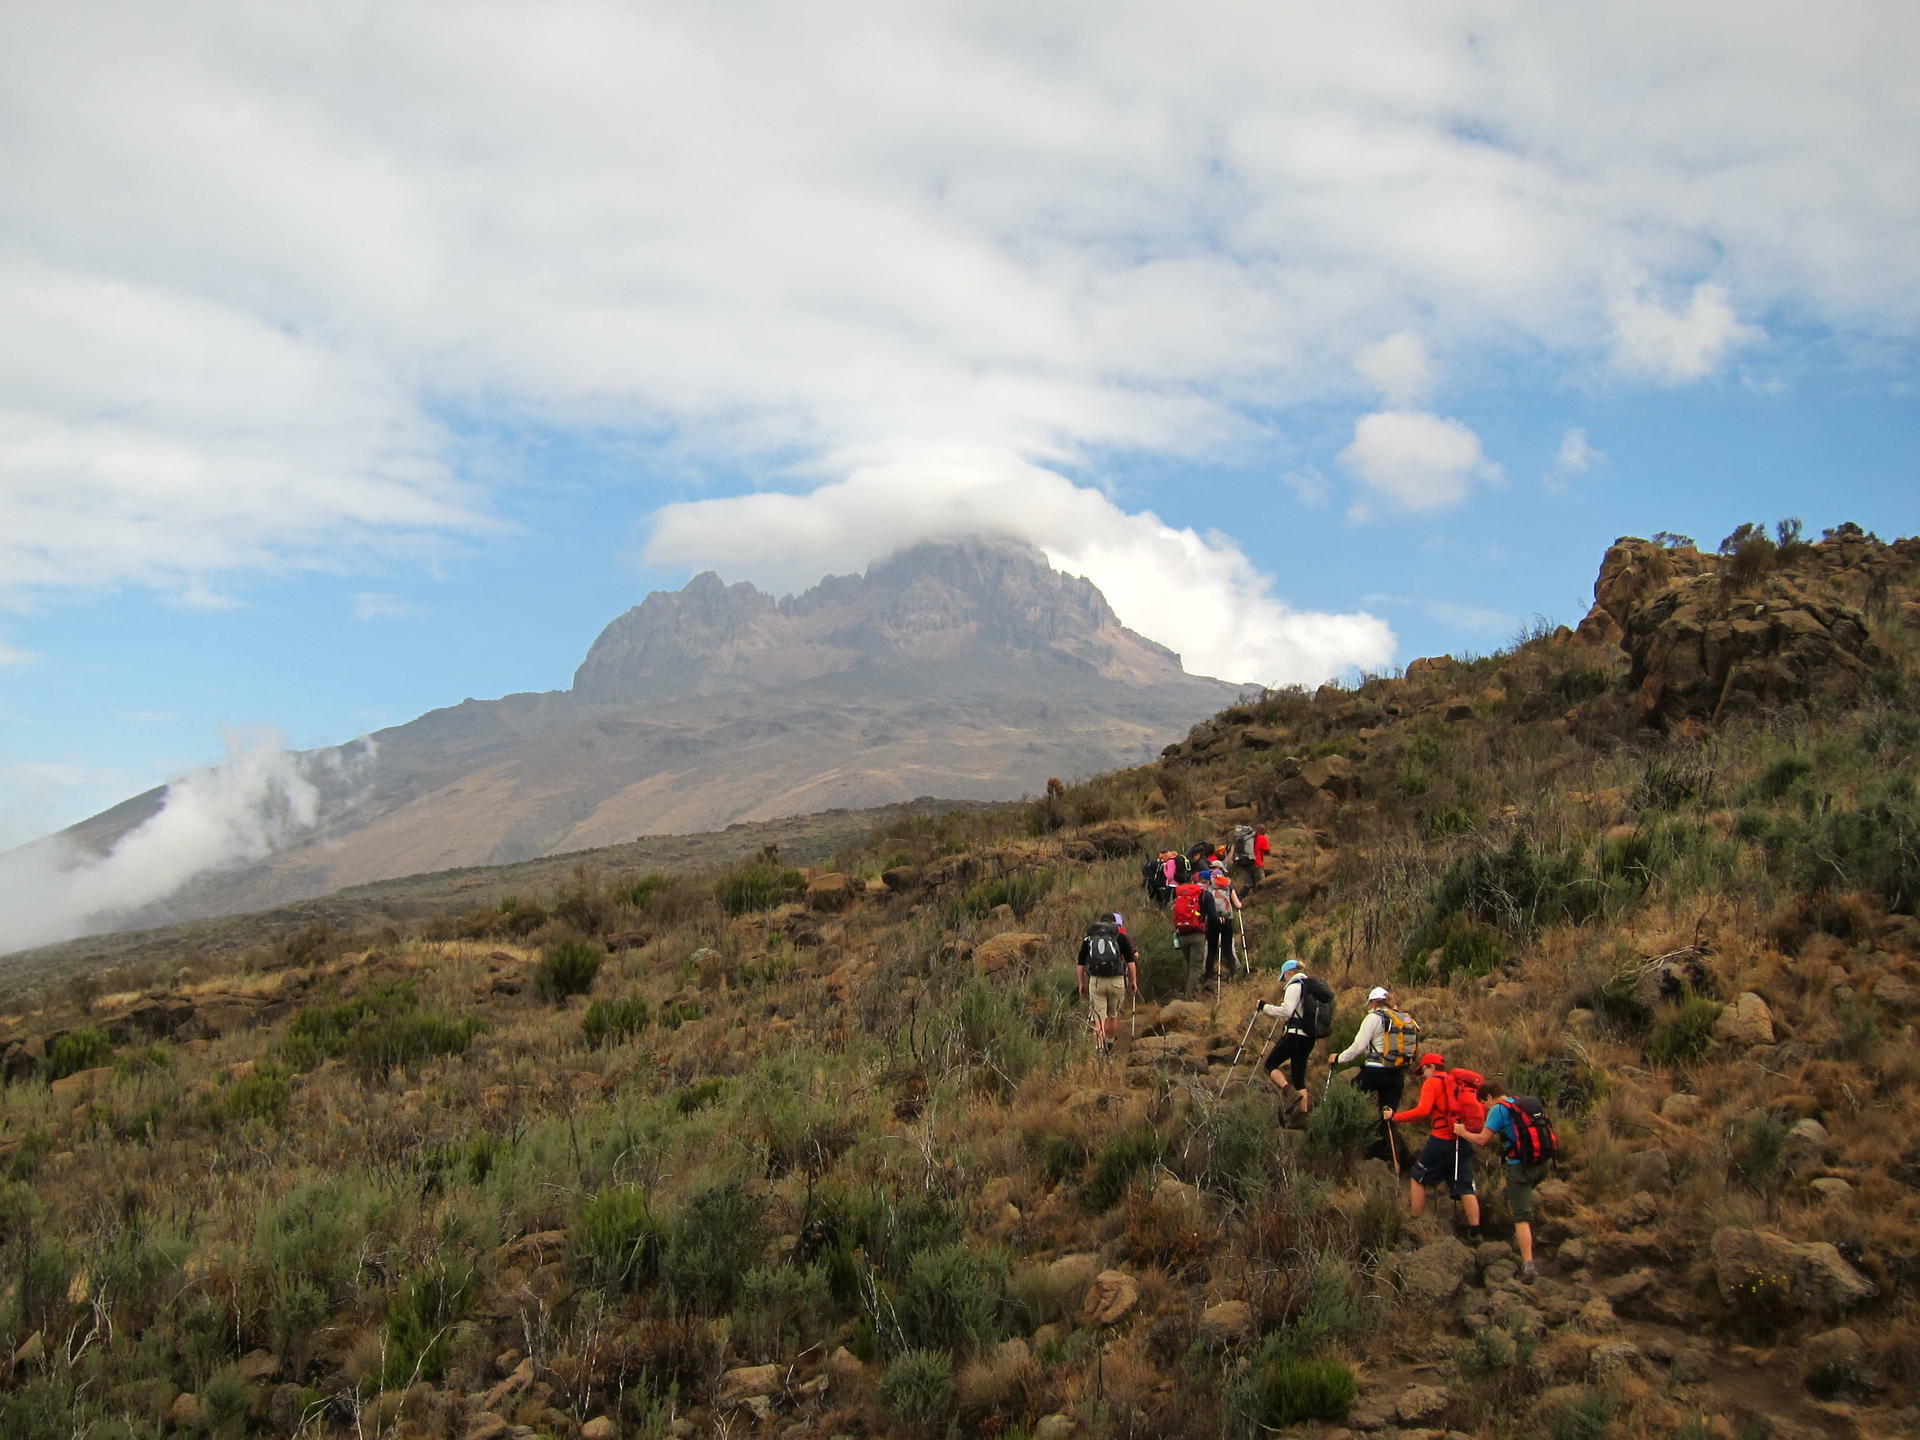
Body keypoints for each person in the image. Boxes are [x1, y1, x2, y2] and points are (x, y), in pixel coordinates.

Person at [1455, 1080, 1552, 1283]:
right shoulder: (1520, 1103)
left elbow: (1482, 1139)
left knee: (1521, 1217)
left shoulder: (1498, 1110)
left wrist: (1462, 1132)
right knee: (1511, 1196)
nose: (1484, 1107)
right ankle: (1522, 1231)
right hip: (1544, 1162)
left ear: (1489, 1097)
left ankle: (1528, 1266)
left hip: (1521, 1167)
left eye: (1483, 1103)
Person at [1386, 1054, 1486, 1239]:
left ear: (1431, 1067)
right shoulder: (1458, 1083)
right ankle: (1476, 1232)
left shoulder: (1432, 1083)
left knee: (1418, 1176)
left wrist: (1396, 1117)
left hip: (1441, 1141)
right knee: (1465, 1187)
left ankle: (1414, 1222)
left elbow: (1423, 1110)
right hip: (1463, 1139)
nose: (1423, 1075)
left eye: (1423, 1070)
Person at [1328, 985, 1418, 1162]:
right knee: (1388, 1117)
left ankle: (1340, 1144)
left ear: (1374, 1002)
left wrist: (1338, 1058)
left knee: (1347, 1099)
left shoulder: (1373, 1018)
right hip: (1397, 1074)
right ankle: (1402, 1161)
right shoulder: (1402, 1018)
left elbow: (1358, 1047)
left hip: (1375, 1071)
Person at [1257, 958, 1325, 1118]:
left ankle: (1289, 1092)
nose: (1284, 981)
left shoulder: (1295, 985)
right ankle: (1302, 1116)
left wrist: (1264, 1007)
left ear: (1289, 973)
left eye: (1284, 977)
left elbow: (1287, 1011)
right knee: (1299, 1077)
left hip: (1295, 1035)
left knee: (1269, 1065)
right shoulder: (1312, 988)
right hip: (1309, 1037)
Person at [1076, 912, 1140, 1055]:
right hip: (1116, 981)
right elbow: (1130, 962)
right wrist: (1133, 981)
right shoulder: (1121, 938)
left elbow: (1081, 963)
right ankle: (1109, 1044)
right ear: (1115, 924)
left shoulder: (1089, 939)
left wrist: (1081, 984)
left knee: (1099, 1018)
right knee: (1112, 1015)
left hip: (1096, 981)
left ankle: (1099, 1050)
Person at [1170, 870, 1212, 997]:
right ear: (1208, 882)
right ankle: (1189, 997)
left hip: (1182, 933)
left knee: (1188, 965)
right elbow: (1213, 917)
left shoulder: (1182, 894)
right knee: (1195, 967)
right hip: (1197, 934)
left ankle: (1191, 991)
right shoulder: (1205, 894)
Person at [1204, 872, 1242, 984]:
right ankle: (1234, 973)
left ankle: (1209, 976)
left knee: (1211, 950)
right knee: (1228, 949)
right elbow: (1238, 905)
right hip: (1227, 921)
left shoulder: (1209, 887)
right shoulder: (1228, 887)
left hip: (1212, 921)